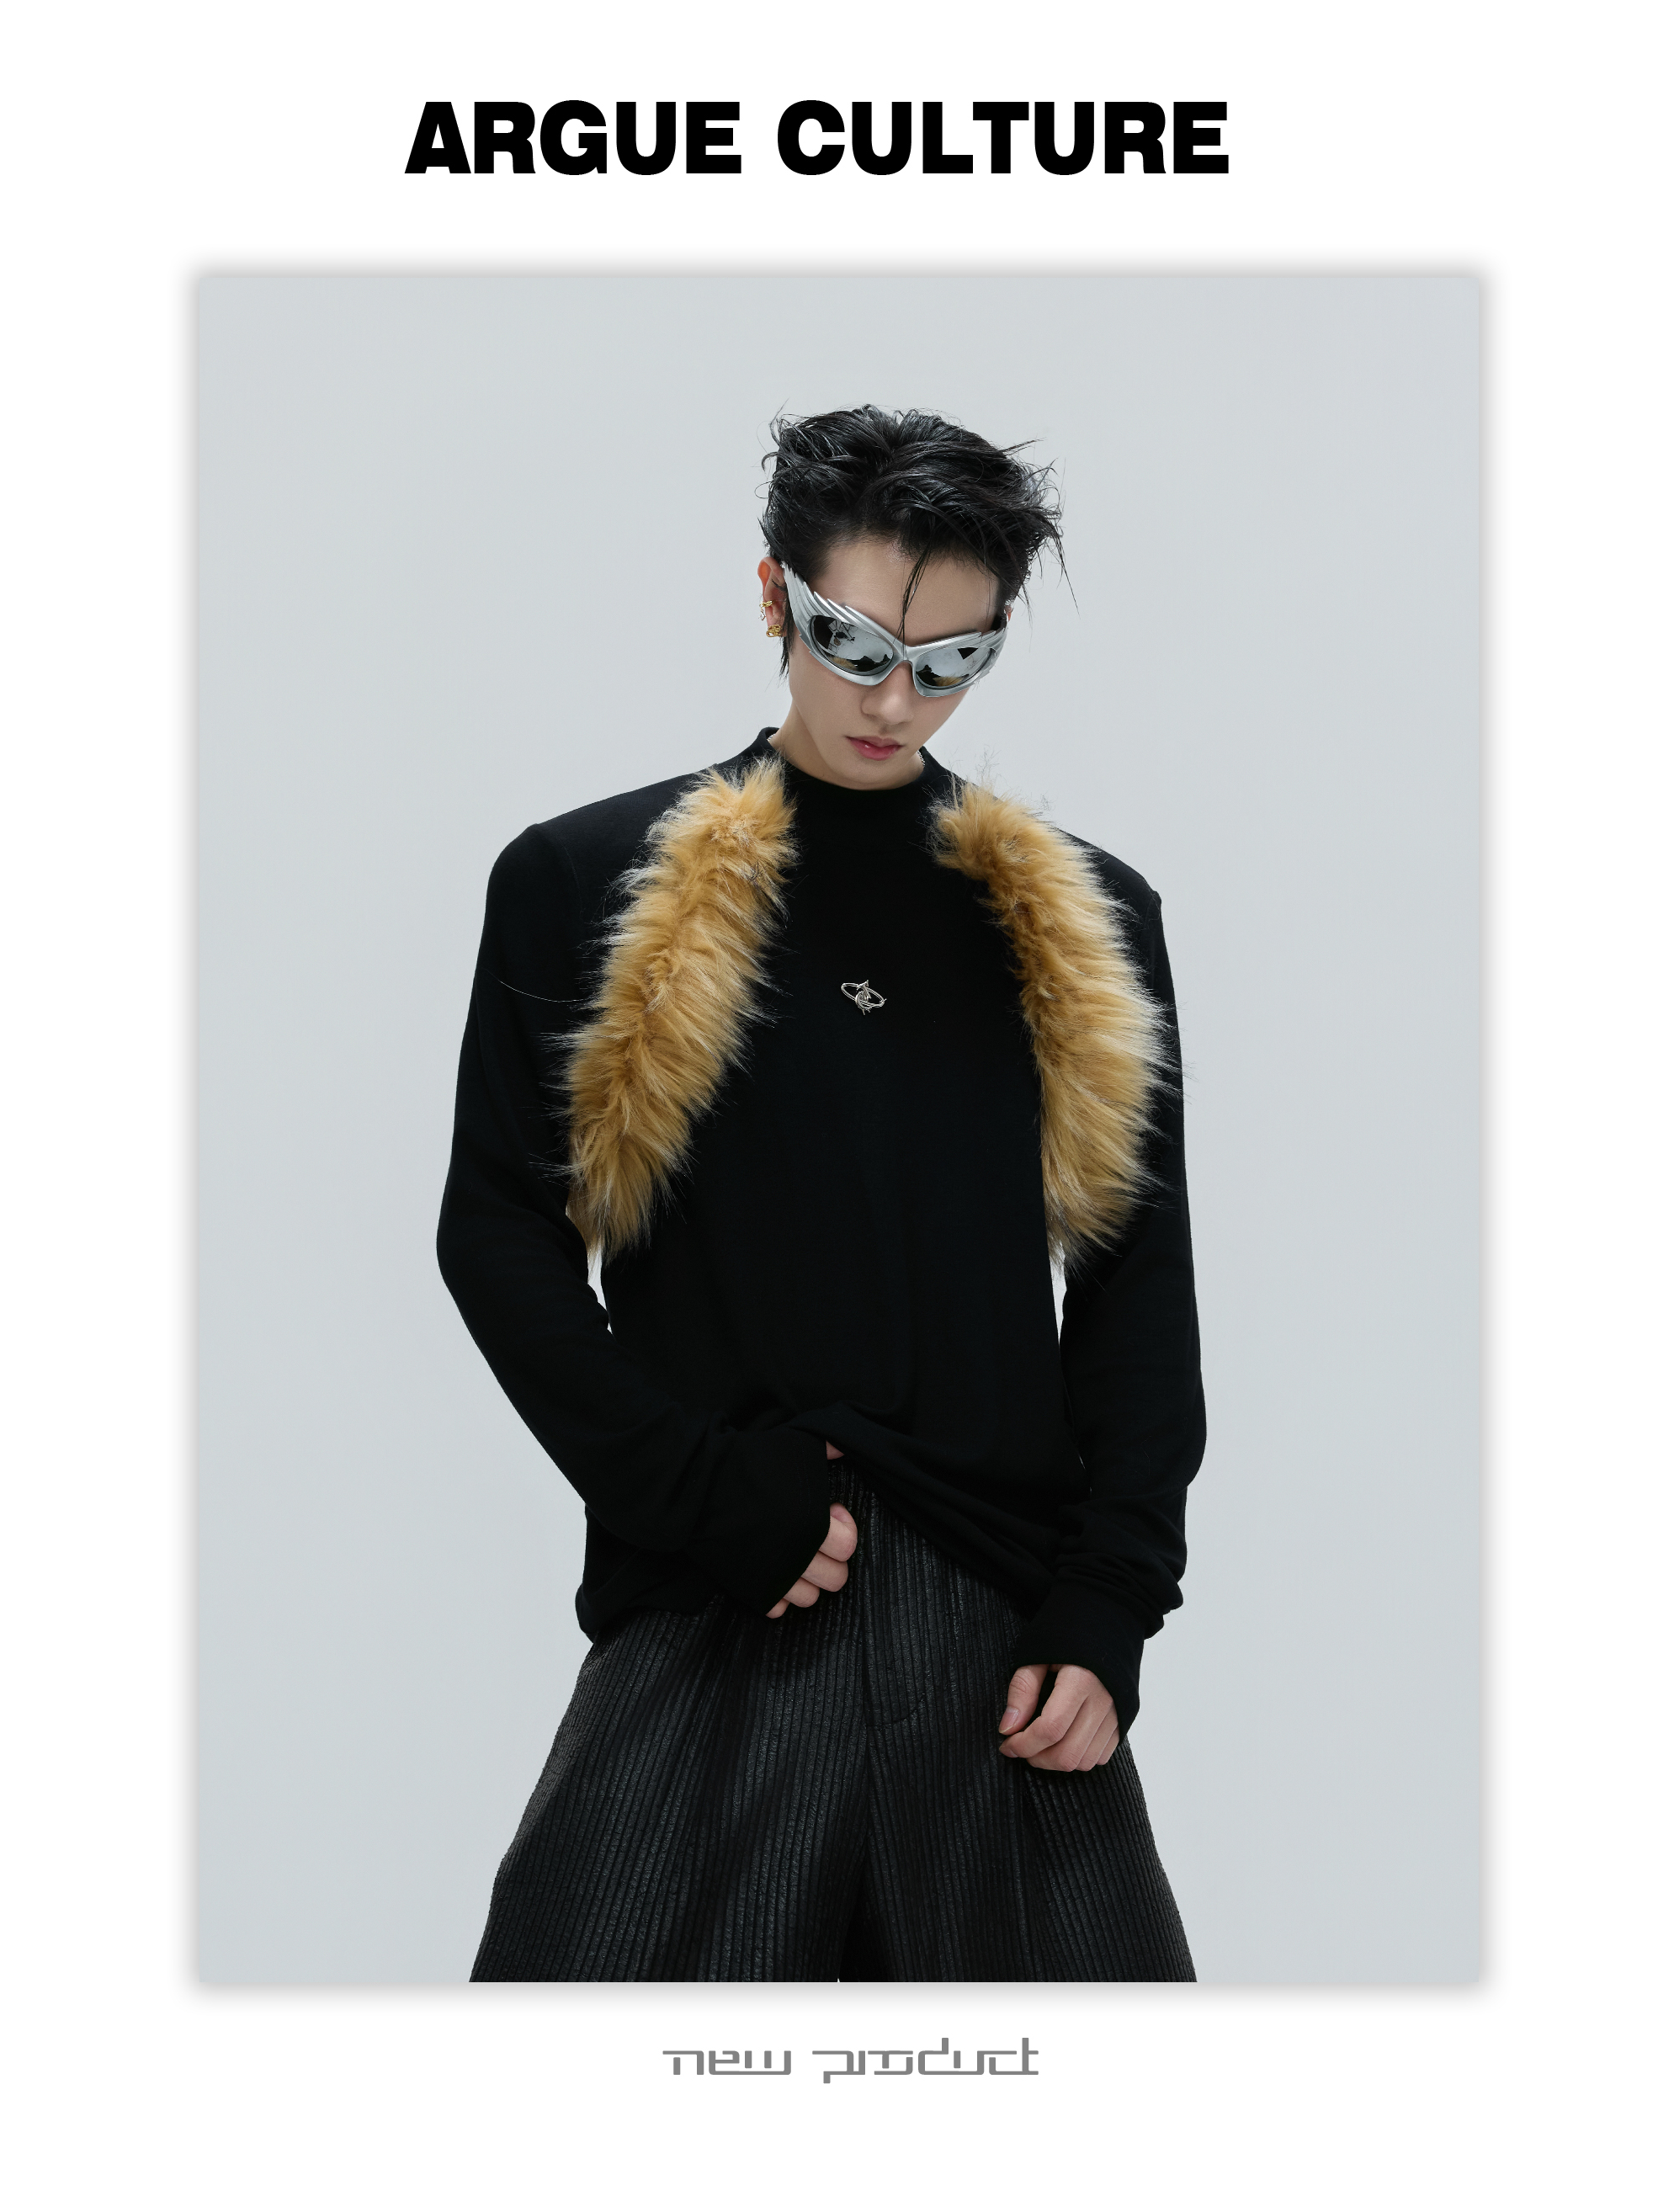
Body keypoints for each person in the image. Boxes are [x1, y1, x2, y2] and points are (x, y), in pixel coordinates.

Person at [436, 404, 1205, 1981]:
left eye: (953, 660)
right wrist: (695, 1493)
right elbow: (497, 1232)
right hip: (724, 1596)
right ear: (774, 597)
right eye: (855, 645)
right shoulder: (585, 880)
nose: (895, 700)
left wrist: (1109, 1606)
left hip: (1000, 1645)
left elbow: (1137, 1283)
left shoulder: (1084, 918)